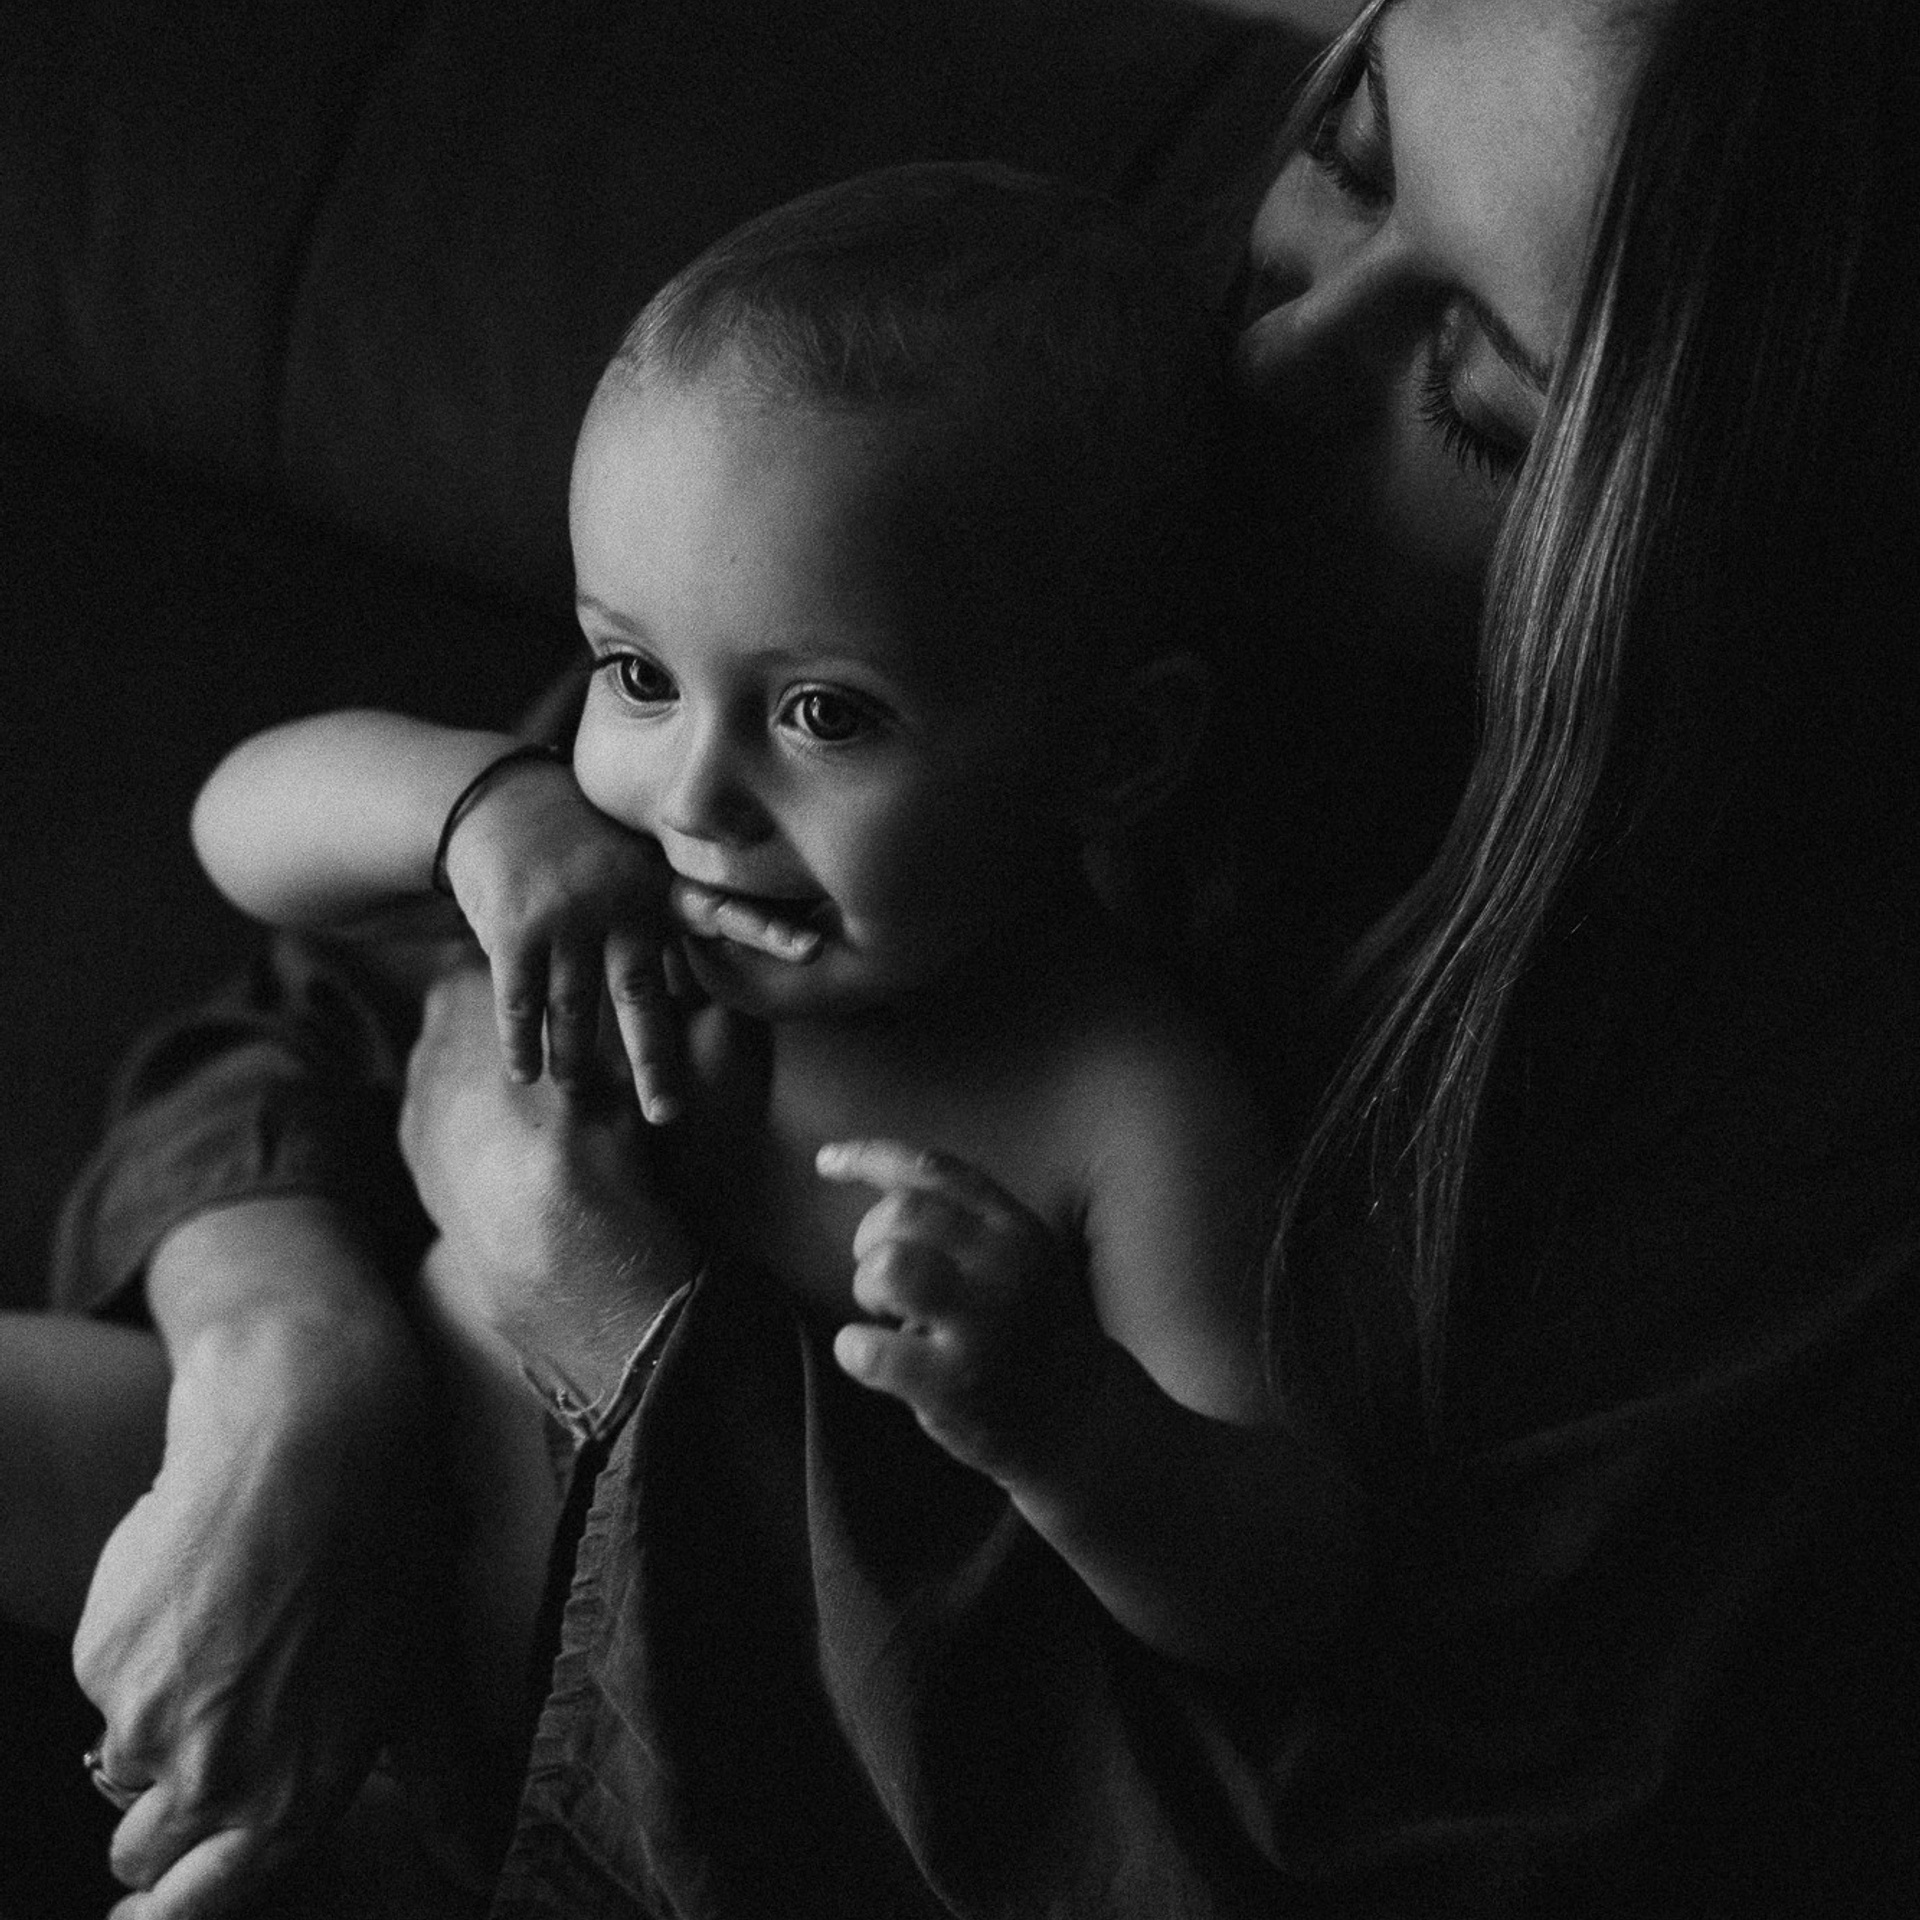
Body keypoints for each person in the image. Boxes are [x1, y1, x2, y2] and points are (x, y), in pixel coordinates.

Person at [8, 0, 1918, 1912]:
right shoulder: (909, 525)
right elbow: (311, 994)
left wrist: (598, 1296)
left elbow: (1271, 1768)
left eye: (1479, 398)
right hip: (357, 1476)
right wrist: (292, 1370)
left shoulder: (1675, 1142)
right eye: (1346, 156)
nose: (1267, 352)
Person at [182, 162, 1332, 1725]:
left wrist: (1070, 1425)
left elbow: (1279, 1579)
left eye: (825, 715)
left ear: (1116, 754)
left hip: (611, 1765)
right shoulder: (607, 870)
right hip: (331, 1520)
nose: (698, 794)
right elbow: (240, 828)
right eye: (634, 674)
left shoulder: (1115, 1099)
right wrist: (476, 811)